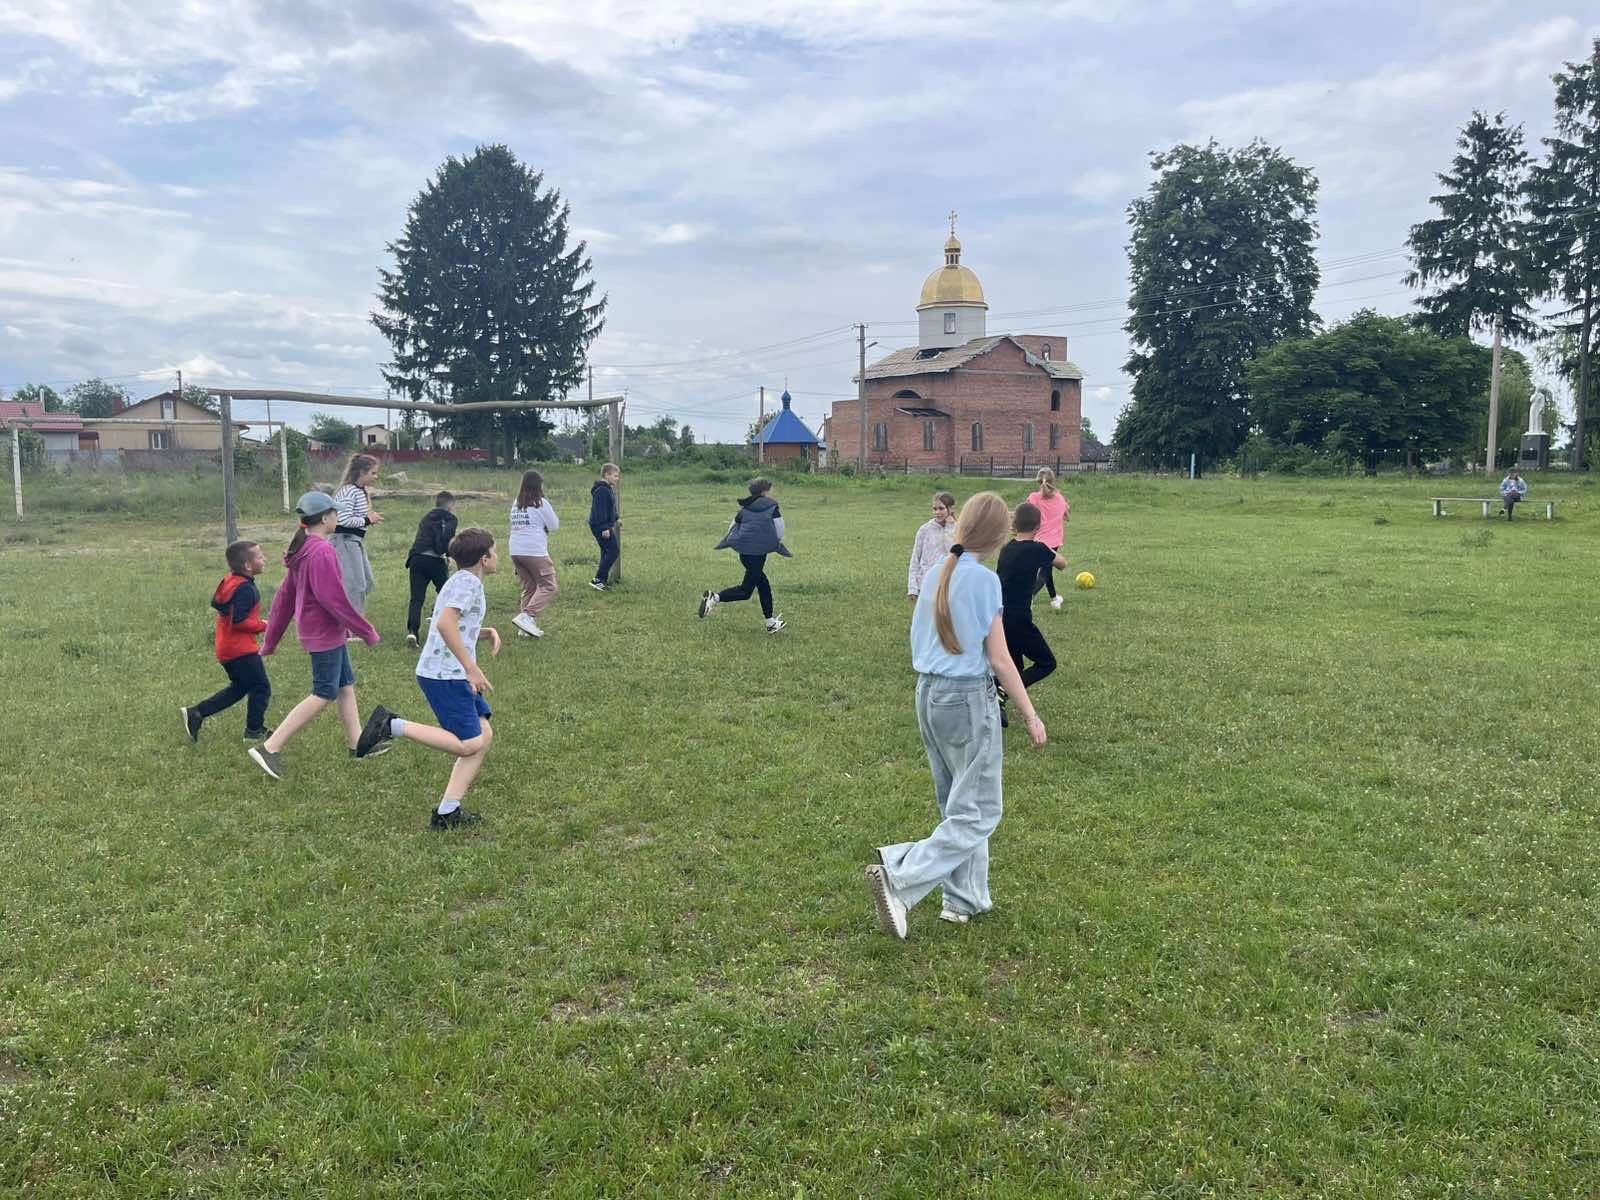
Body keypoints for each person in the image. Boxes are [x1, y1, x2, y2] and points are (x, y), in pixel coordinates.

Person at [864, 491, 1047, 941]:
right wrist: (1030, 714)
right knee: (979, 811)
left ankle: (963, 900)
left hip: (929, 695)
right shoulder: (984, 582)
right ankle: (901, 877)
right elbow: (1001, 659)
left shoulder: (936, 574)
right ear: (1000, 536)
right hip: (966, 699)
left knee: (957, 805)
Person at [358, 528, 502, 830]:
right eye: (495, 551)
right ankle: (391, 725)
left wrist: (483, 632)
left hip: (448, 672)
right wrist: (471, 668)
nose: (498, 556)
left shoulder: (460, 580)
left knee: (484, 735)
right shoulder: (469, 584)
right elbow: (446, 623)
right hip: (446, 675)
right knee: (469, 743)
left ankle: (448, 812)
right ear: (484, 558)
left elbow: (451, 623)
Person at [247, 492, 383, 781]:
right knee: (324, 692)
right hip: (323, 634)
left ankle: (358, 744)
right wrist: (366, 630)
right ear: (324, 518)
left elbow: (284, 598)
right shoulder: (321, 551)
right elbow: (334, 600)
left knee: (345, 685)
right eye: (335, 513)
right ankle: (269, 748)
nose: (337, 517)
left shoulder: (305, 549)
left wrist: (270, 642)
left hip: (325, 631)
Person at [181, 539, 273, 743]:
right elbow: (238, 621)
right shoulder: (245, 589)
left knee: (240, 687)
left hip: (228, 648)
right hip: (240, 650)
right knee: (261, 687)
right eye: (260, 557)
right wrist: (265, 625)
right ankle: (254, 731)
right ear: (247, 565)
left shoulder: (231, 580)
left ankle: (196, 713)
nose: (265, 559)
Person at [698, 477, 791, 634]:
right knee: (747, 591)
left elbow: (732, 528)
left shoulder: (745, 509)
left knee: (761, 584)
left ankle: (770, 622)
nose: (771, 493)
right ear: (764, 492)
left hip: (745, 555)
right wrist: (769, 542)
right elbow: (779, 530)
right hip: (758, 554)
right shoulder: (772, 508)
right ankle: (715, 598)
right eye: (769, 490)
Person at [996, 501, 1065, 695]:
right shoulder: (1037, 549)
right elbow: (1062, 563)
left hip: (1000, 616)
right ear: (1038, 526)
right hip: (1019, 618)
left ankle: (996, 697)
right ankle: (1001, 690)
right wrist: (1045, 546)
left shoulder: (1007, 548)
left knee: (1014, 667)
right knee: (1047, 662)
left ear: (1015, 524)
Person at [508, 470, 559, 638]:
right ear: (539, 485)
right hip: (534, 550)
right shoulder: (540, 503)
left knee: (529, 587)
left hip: (515, 550)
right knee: (549, 585)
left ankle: (524, 629)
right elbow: (554, 525)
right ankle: (527, 616)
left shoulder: (517, 503)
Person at [332, 453, 383, 618]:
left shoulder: (360, 491)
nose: (376, 476)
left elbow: (355, 516)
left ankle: (353, 619)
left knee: (366, 582)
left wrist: (369, 519)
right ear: (362, 472)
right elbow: (342, 520)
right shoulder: (349, 491)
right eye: (373, 473)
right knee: (354, 585)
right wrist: (367, 520)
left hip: (355, 541)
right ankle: (351, 623)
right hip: (345, 540)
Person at [404, 491, 457, 648]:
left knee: (416, 598)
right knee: (447, 592)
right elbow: (446, 539)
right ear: (450, 506)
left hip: (417, 558)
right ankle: (436, 616)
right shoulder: (450, 518)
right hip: (435, 560)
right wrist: (449, 555)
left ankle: (412, 632)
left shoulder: (427, 517)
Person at [1025, 468, 1070, 609]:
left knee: (1046, 568)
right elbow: (1067, 517)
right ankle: (1028, 598)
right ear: (1053, 481)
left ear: (1038, 481)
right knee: (1045, 570)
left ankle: (1054, 599)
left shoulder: (1033, 498)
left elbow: (1025, 513)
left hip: (1037, 539)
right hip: (1054, 541)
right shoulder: (1060, 498)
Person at [907, 491, 957, 601]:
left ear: (951, 509)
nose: (937, 512)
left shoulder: (958, 529)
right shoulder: (925, 530)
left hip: (949, 585)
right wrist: (912, 589)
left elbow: (952, 552)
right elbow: (915, 559)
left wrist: (949, 528)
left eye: (941, 508)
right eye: (935, 509)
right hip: (926, 584)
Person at [588, 462, 621, 591]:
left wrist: (616, 518)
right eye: (615, 476)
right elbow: (600, 510)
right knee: (613, 551)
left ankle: (602, 581)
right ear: (606, 475)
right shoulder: (602, 490)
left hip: (604, 525)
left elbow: (610, 507)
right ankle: (598, 579)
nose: (617, 479)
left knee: (606, 552)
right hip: (600, 526)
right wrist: (604, 528)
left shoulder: (607, 489)